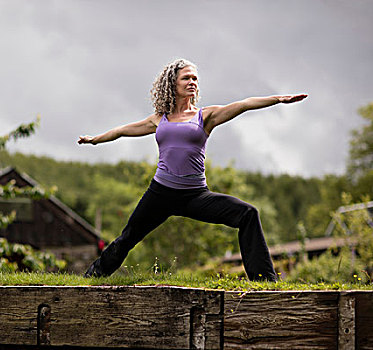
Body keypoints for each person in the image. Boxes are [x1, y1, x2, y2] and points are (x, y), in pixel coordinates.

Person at [78, 58, 307, 281]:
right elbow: (121, 131)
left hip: (195, 195)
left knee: (247, 213)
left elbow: (244, 104)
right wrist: (95, 140)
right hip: (160, 193)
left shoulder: (205, 116)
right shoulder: (159, 119)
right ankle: (91, 277)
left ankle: (264, 282)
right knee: (128, 237)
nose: (192, 82)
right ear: (173, 84)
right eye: (186, 78)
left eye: (195, 78)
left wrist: (277, 99)